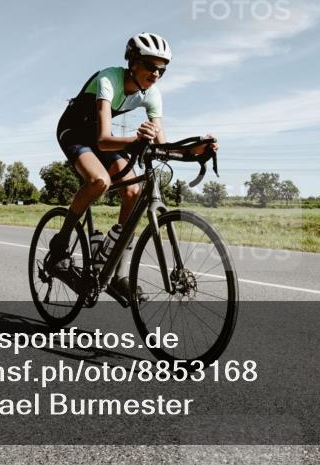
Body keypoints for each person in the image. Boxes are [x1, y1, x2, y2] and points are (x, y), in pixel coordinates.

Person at [47, 32, 216, 302]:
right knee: (99, 181)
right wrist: (136, 139)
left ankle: (117, 275)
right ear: (133, 62)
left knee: (134, 193)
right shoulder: (108, 79)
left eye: (163, 69)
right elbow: (102, 140)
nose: (157, 73)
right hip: (75, 132)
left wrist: (194, 150)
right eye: (150, 65)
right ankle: (60, 245)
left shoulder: (152, 94)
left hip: (103, 139)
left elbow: (162, 146)